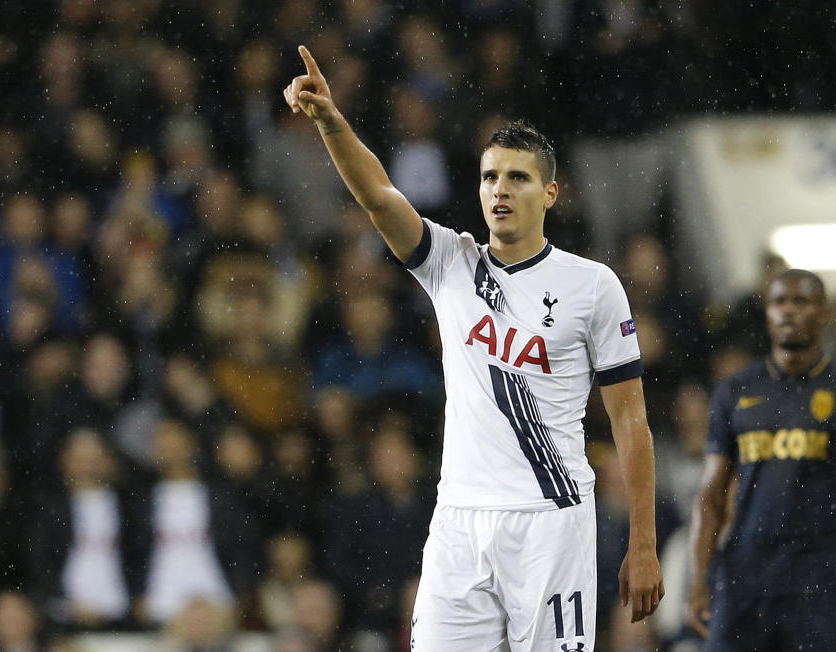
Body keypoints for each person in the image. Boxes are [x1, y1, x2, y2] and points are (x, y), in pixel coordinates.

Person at [283, 45, 663, 650]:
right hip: (459, 518)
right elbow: (379, 196)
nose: (500, 189)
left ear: (551, 194)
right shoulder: (450, 264)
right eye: (490, 177)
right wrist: (332, 122)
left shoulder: (593, 286)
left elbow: (631, 419)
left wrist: (642, 543)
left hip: (551, 519)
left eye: (518, 177)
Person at [687, 268, 836, 651]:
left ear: (824, 312)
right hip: (745, 572)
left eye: (800, 301)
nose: (788, 311)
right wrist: (699, 578)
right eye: (778, 302)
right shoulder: (736, 389)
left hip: (820, 577)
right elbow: (711, 494)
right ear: (767, 313)